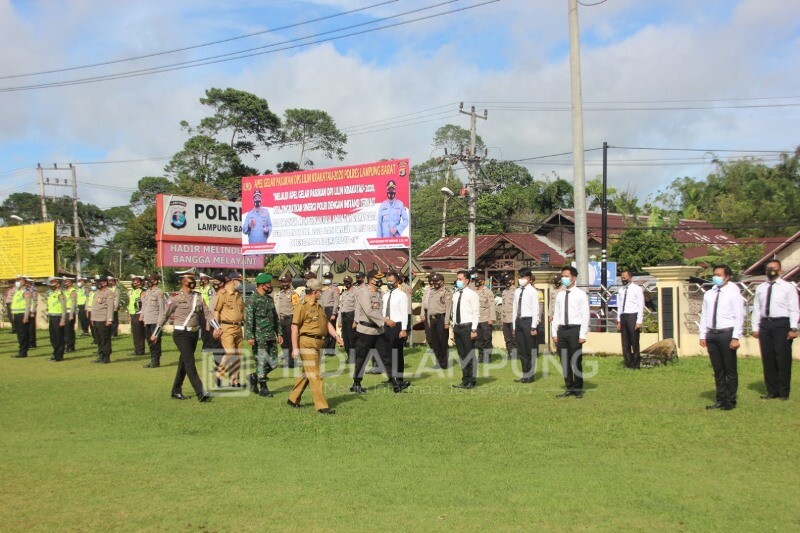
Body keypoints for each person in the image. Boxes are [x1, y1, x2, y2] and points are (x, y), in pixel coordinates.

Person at [151, 271, 218, 402]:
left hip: (193, 334)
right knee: (190, 361)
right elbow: (164, 316)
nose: (193, 282)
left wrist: (217, 327)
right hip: (181, 334)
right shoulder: (175, 298)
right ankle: (200, 392)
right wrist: (155, 334)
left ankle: (176, 390)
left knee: (183, 362)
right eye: (190, 279)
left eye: (194, 279)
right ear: (183, 281)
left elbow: (208, 313)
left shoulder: (198, 297)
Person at [350, 270, 410, 394]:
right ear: (371, 280)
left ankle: (395, 383)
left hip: (378, 331)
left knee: (386, 356)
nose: (381, 281)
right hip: (366, 330)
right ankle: (356, 383)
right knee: (362, 357)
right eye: (378, 279)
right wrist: (385, 320)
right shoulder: (364, 293)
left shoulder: (380, 293)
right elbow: (369, 312)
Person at [288, 279, 343, 414]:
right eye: (320, 292)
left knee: (307, 373)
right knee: (315, 375)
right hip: (307, 343)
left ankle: (293, 398)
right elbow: (294, 328)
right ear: (315, 292)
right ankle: (322, 406)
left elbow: (327, 324)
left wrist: (337, 336)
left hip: (319, 343)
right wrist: (295, 348)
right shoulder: (302, 306)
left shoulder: (319, 306)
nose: (321, 294)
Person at [699, 264, 745, 410]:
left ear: (727, 277)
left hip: (726, 333)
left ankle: (730, 400)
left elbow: (739, 316)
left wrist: (735, 337)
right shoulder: (709, 294)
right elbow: (705, 315)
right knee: (718, 369)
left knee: (729, 369)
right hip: (712, 333)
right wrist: (703, 334)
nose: (716, 277)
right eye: (715, 274)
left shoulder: (733, 293)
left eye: (719, 275)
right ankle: (720, 398)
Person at [752, 259, 799, 400]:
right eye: (768, 268)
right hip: (766, 324)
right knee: (768, 358)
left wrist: (793, 328)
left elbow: (794, 309)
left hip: (781, 324)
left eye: (773, 268)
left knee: (782, 358)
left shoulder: (787, 287)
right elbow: (757, 309)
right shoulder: (761, 288)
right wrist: (755, 327)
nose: (770, 271)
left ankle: (783, 392)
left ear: (780, 271)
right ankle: (772, 391)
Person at [551, 266, 590, 398]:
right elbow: (557, 314)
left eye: (566, 276)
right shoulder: (561, 294)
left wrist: (582, 334)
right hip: (562, 330)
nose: (564, 278)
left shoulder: (581, 294)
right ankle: (569, 387)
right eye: (563, 276)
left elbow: (585, 315)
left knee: (576, 360)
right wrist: (554, 333)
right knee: (564, 361)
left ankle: (578, 389)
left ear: (573, 278)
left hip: (575, 329)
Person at [244, 273, 282, 398]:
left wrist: (279, 333)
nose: (270, 286)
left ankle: (254, 376)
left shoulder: (269, 299)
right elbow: (249, 320)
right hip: (259, 336)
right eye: (269, 284)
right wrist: (250, 336)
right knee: (261, 362)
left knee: (274, 362)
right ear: (262, 285)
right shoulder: (252, 300)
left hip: (271, 335)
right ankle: (263, 388)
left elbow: (275, 318)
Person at [214, 271, 245, 387]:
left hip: (238, 327)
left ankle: (234, 380)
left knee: (237, 355)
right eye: (238, 281)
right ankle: (219, 373)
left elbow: (243, 312)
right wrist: (216, 328)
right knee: (230, 352)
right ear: (232, 281)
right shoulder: (222, 294)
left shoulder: (238, 295)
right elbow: (216, 311)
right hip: (226, 327)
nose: (239, 283)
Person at [451, 270, 480, 389]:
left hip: (468, 327)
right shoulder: (456, 294)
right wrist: (453, 327)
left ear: (467, 280)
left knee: (469, 354)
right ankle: (465, 379)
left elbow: (476, 313)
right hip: (458, 327)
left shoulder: (472, 294)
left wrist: (473, 330)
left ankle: (471, 380)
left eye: (460, 279)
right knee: (462, 355)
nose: (458, 281)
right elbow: (453, 312)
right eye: (457, 279)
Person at [512, 268, 540, 383]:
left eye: (522, 277)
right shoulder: (517, 291)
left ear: (528, 278)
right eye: (519, 277)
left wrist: (534, 326)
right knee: (521, 349)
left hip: (528, 321)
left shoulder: (532, 291)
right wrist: (514, 326)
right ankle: (525, 374)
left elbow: (536, 310)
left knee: (529, 349)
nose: (520, 280)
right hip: (519, 321)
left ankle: (530, 375)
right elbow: (514, 309)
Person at [419, 273, 451, 369]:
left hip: (441, 318)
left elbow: (448, 308)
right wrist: (423, 314)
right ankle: (438, 360)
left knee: (442, 341)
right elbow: (425, 304)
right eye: (434, 281)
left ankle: (443, 363)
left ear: (442, 282)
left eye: (437, 281)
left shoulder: (446, 292)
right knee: (433, 341)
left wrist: (446, 322)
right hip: (430, 318)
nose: (435, 283)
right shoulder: (430, 290)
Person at [383, 272, 409, 381]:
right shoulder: (385, 295)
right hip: (386, 325)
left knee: (397, 353)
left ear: (397, 282)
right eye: (387, 281)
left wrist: (403, 329)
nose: (389, 283)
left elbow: (404, 313)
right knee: (388, 352)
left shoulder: (401, 295)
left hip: (397, 325)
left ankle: (398, 378)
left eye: (391, 281)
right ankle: (391, 376)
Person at [616, 269, 644, 369]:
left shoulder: (637, 289)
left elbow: (641, 305)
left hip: (633, 315)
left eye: (624, 278)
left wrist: (639, 321)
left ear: (630, 278)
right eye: (621, 278)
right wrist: (619, 320)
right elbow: (619, 305)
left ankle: (636, 364)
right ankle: (628, 363)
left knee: (634, 341)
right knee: (625, 341)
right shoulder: (621, 290)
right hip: (623, 316)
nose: (623, 279)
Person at [141, 272, 166, 368]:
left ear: (155, 281)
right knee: (149, 341)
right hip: (148, 320)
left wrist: (160, 323)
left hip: (156, 321)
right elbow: (145, 306)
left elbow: (162, 309)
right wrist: (143, 319)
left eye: (151, 280)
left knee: (155, 341)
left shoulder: (159, 292)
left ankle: (156, 360)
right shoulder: (147, 292)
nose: (148, 282)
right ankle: (152, 359)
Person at [90, 275, 114, 364]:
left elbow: (110, 307)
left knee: (105, 339)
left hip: (103, 319)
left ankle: (106, 357)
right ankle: (100, 355)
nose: (96, 284)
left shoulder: (109, 293)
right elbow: (94, 306)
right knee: (98, 339)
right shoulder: (97, 292)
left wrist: (109, 319)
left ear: (104, 283)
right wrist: (92, 318)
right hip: (96, 319)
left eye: (98, 282)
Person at [274, 274, 296, 368]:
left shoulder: (293, 294)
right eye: (282, 282)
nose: (284, 284)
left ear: (290, 282)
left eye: (286, 282)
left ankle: (292, 362)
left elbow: (296, 308)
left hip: (290, 319)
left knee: (291, 342)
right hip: (281, 320)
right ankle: (286, 361)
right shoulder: (280, 294)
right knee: (283, 342)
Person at [473, 273, 496, 363]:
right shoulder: (474, 292)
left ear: (482, 281)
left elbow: (492, 306)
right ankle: (481, 356)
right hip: (476, 319)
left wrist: (491, 318)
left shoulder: (487, 292)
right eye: (475, 280)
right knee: (478, 340)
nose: (476, 282)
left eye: (477, 281)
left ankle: (488, 357)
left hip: (486, 319)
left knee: (487, 339)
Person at [45, 277, 67, 362]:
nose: (51, 284)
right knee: (53, 338)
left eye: (53, 282)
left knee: (59, 337)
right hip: (52, 317)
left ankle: (59, 355)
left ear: (58, 284)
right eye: (51, 282)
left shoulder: (60, 294)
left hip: (58, 317)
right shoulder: (51, 293)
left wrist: (63, 320)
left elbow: (64, 308)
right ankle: (55, 353)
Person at [10, 275, 32, 358]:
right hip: (16, 314)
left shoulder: (26, 292)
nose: (17, 282)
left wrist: (26, 317)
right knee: (19, 334)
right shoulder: (17, 291)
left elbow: (28, 305)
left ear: (24, 282)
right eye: (17, 280)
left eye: (19, 280)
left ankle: (23, 352)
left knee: (23, 334)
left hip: (22, 314)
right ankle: (21, 350)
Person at [337, 275, 357, 361]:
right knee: (345, 337)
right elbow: (341, 307)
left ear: (351, 282)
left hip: (351, 316)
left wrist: (356, 321)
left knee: (352, 338)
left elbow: (357, 307)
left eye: (348, 282)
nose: (346, 284)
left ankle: (354, 356)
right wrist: (339, 320)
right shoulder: (344, 293)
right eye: (345, 282)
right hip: (344, 317)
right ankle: (349, 355)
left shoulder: (355, 292)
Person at [319, 271, 340, 355]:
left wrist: (334, 313)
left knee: (332, 329)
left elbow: (336, 302)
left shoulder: (335, 289)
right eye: (325, 278)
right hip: (324, 310)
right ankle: (326, 348)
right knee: (325, 330)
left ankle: (331, 350)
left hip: (331, 310)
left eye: (328, 278)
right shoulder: (323, 289)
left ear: (331, 279)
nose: (326, 279)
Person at [128, 275, 146, 356]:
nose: (134, 282)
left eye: (136, 281)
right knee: (134, 333)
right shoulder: (131, 291)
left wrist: (142, 315)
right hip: (132, 314)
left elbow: (144, 304)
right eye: (133, 281)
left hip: (139, 314)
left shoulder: (142, 291)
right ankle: (136, 349)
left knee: (139, 333)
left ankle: (140, 350)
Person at [197, 273, 215, 352]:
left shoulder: (210, 289)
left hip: (209, 311)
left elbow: (212, 301)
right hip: (202, 312)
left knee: (208, 330)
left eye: (203, 280)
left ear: (207, 281)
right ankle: (206, 346)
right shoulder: (201, 289)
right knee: (204, 330)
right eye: (201, 280)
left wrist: (210, 312)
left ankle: (208, 347)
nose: (201, 281)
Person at [500, 274, 516, 360]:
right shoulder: (504, 292)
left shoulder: (516, 291)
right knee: (507, 338)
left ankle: (515, 354)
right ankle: (510, 354)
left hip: (513, 318)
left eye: (508, 281)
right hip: (505, 318)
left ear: (512, 281)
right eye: (505, 281)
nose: (507, 283)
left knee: (514, 337)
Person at [60, 277, 77, 353]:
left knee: (69, 330)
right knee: (64, 330)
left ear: (71, 283)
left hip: (70, 312)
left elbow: (73, 304)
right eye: (65, 282)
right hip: (64, 312)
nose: (65, 283)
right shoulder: (63, 291)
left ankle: (70, 346)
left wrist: (71, 315)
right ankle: (66, 345)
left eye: (67, 282)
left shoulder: (72, 291)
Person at [26, 277, 38, 349]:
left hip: (31, 311)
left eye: (27, 282)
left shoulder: (33, 290)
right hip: (26, 310)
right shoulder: (25, 290)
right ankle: (28, 341)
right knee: (26, 327)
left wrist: (33, 311)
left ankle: (32, 342)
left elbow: (35, 301)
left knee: (31, 327)